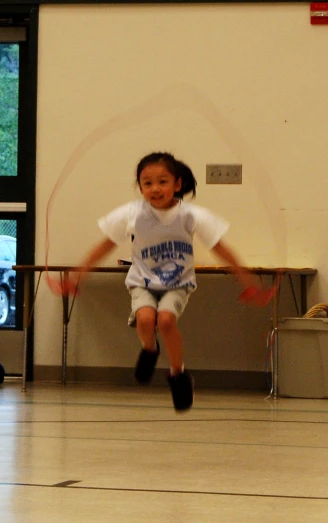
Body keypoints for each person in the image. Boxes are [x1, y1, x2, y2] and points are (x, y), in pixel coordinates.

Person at [56, 152, 271, 412]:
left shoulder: (191, 215)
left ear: (177, 184)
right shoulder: (132, 214)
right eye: (147, 183)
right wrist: (79, 275)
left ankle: (179, 374)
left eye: (162, 181)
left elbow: (222, 249)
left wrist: (246, 280)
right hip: (142, 281)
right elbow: (103, 246)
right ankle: (149, 349)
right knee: (146, 319)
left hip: (177, 283)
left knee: (166, 320)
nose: (155, 188)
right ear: (140, 187)